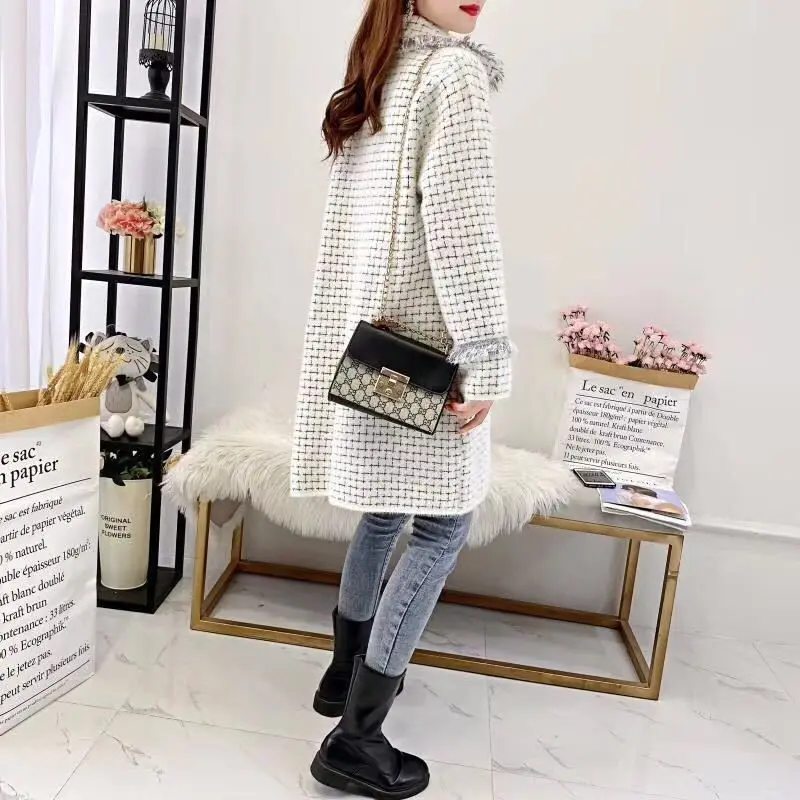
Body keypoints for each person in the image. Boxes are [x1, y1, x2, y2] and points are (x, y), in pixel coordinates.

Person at [291, 0, 511, 796]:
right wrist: (486, 359)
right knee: (444, 526)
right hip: (429, 357)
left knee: (385, 513)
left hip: (373, 349)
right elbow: (463, 232)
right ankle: (357, 738)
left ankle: (345, 672)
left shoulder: (380, 75)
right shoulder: (452, 75)